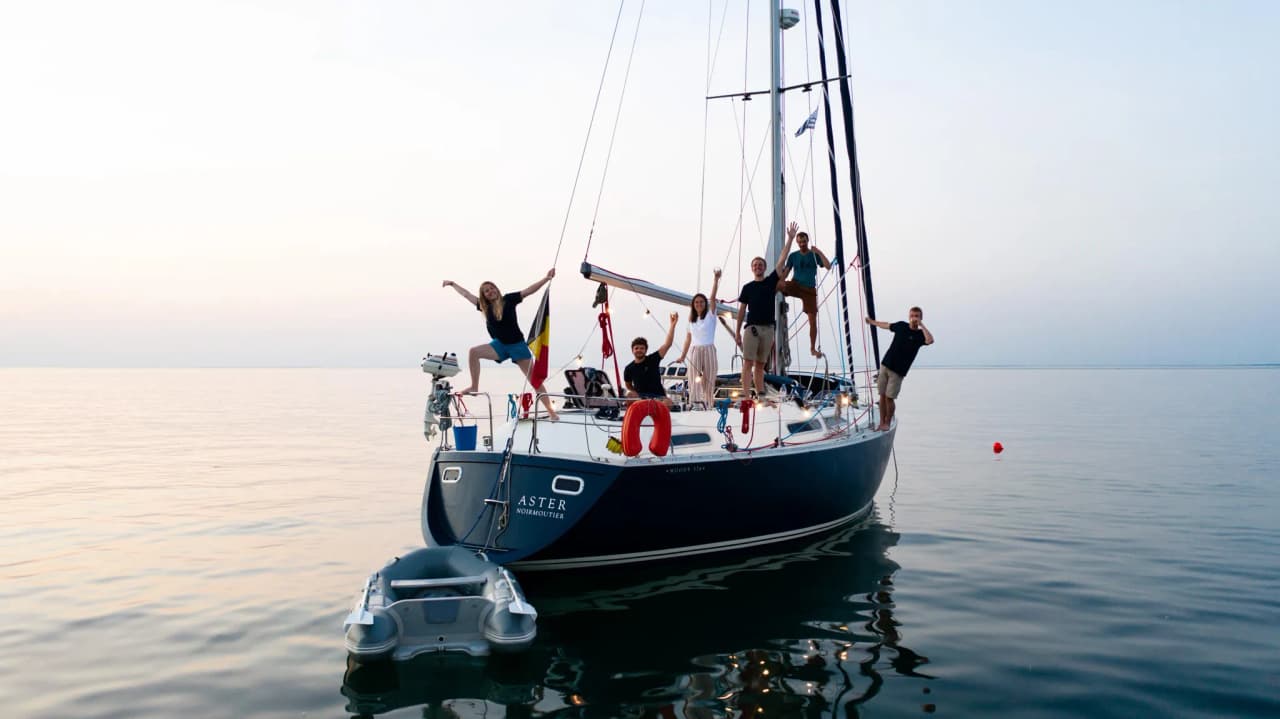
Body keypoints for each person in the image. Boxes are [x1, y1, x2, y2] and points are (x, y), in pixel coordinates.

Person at [442, 269, 559, 420]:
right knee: (474, 352)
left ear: (496, 289)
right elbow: (466, 295)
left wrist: (546, 278)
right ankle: (474, 386)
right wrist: (452, 284)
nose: (490, 292)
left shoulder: (509, 299)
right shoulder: (484, 307)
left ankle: (551, 412)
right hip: (500, 345)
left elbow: (528, 291)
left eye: (491, 288)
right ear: (484, 296)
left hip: (517, 345)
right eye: (486, 291)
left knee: (534, 380)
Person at [865, 307, 934, 430]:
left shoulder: (920, 335)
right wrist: (872, 322)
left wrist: (921, 325)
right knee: (882, 395)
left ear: (920, 318)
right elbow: (886, 325)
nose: (914, 318)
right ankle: (881, 422)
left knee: (889, 397)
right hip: (885, 365)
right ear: (909, 316)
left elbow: (930, 340)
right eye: (912, 315)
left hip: (898, 371)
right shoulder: (901, 326)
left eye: (917, 316)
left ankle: (887, 422)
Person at [734, 250, 788, 397]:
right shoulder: (747, 288)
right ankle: (746, 396)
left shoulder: (771, 282)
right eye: (755, 265)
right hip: (752, 329)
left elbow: (781, 260)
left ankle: (761, 394)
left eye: (760, 265)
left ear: (764, 268)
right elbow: (741, 311)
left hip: (768, 329)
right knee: (748, 363)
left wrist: (789, 239)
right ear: (752, 268)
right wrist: (737, 331)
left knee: (760, 365)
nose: (758, 267)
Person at [776, 221, 831, 357]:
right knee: (776, 285)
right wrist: (779, 282)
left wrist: (819, 252)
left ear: (807, 241)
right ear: (797, 242)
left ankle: (812, 348)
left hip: (809, 290)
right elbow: (787, 271)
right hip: (795, 285)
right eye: (799, 242)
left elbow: (828, 266)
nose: (802, 244)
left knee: (812, 320)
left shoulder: (814, 255)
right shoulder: (793, 256)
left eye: (804, 241)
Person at [675, 268, 722, 407]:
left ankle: (708, 404)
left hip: (709, 348)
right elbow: (688, 340)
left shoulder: (711, 315)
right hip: (695, 350)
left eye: (701, 302)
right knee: (692, 378)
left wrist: (715, 279)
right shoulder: (691, 320)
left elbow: (712, 298)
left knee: (709, 378)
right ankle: (694, 404)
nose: (699, 304)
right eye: (696, 302)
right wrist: (683, 356)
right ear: (693, 305)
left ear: (705, 304)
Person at [624, 312, 679, 404]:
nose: (639, 350)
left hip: (659, 397)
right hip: (640, 398)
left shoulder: (653, 359)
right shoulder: (629, 368)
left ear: (646, 350)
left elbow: (667, 345)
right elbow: (628, 385)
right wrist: (636, 393)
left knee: (668, 402)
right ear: (632, 350)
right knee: (630, 395)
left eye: (642, 348)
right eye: (636, 348)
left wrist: (672, 325)